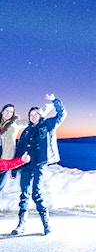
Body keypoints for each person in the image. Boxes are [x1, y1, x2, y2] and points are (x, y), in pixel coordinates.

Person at [12, 94, 67, 236]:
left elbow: (62, 114)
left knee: (36, 193)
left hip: (40, 164)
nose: (33, 116)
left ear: (40, 115)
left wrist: (55, 101)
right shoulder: (26, 131)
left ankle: (46, 223)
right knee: (24, 194)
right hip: (26, 166)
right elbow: (19, 148)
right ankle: (21, 225)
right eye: (31, 115)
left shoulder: (47, 124)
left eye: (36, 114)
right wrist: (14, 167)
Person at [0, 102, 52, 191]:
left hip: (7, 158)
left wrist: (45, 111)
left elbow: (33, 119)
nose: (8, 113)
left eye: (11, 112)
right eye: (7, 111)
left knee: (1, 185)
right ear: (2, 112)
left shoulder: (15, 123)